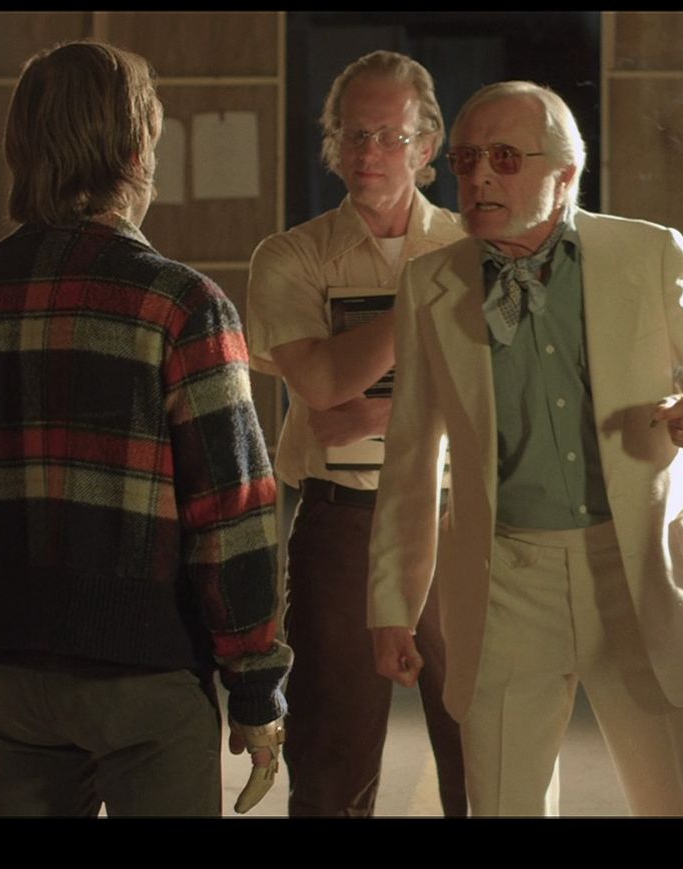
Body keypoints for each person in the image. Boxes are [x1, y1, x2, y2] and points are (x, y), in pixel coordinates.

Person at [0, 40, 291, 817]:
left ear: (19, 151)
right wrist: (254, 685)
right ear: (137, 153)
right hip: (146, 675)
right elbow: (232, 510)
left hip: (5, 675)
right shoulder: (182, 306)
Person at [368, 80, 683, 817]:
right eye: (467, 159)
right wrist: (393, 604)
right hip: (505, 579)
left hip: (639, 562)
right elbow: (411, 455)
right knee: (501, 800)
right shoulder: (430, 284)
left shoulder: (647, 251)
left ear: (565, 174)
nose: (479, 177)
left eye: (505, 158)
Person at [245, 50, 467, 817]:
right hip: (343, 519)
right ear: (332, 141)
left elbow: (499, 404)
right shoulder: (292, 255)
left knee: (482, 741)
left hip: (458, 516)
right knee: (331, 754)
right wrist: (424, 308)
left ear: (426, 144)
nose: (369, 151)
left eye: (390, 135)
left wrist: (369, 406)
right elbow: (319, 387)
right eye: (353, 133)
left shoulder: (471, 249)